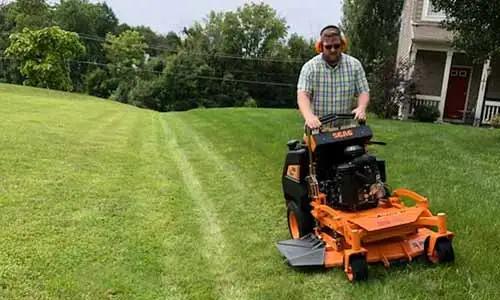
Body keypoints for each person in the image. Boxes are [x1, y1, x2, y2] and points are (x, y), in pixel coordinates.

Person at [297, 24, 370, 130]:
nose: (332, 50)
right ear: (321, 47)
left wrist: (361, 108)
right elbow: (303, 95)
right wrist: (309, 116)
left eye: (336, 46)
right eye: (328, 46)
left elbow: (363, 91)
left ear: (342, 45)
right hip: (317, 129)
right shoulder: (310, 67)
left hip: (345, 129)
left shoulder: (355, 65)